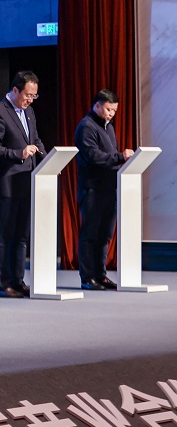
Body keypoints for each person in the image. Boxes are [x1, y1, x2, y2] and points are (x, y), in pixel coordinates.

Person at [0, 70, 46, 298]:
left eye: (34, 96)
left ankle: (18, 281)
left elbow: (35, 140)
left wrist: (47, 161)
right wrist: (19, 153)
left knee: (21, 236)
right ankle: (2, 285)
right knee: (4, 235)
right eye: (28, 95)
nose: (31, 100)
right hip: (7, 183)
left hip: (26, 181)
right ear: (15, 90)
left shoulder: (29, 111)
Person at [74, 89, 134, 290]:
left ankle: (100, 275)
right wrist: (120, 157)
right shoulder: (86, 127)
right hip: (92, 188)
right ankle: (87, 277)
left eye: (114, 110)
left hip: (109, 188)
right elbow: (93, 156)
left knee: (105, 234)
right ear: (97, 105)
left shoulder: (109, 127)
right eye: (109, 109)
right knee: (90, 233)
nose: (111, 114)